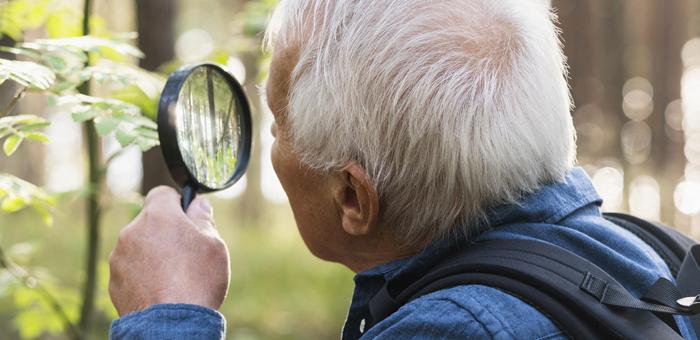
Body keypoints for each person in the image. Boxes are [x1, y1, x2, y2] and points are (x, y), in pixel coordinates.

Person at [107, 0, 696, 339]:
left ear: (352, 199)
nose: (272, 146)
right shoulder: (646, 254)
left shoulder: (449, 330)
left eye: (279, 126)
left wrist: (165, 314)